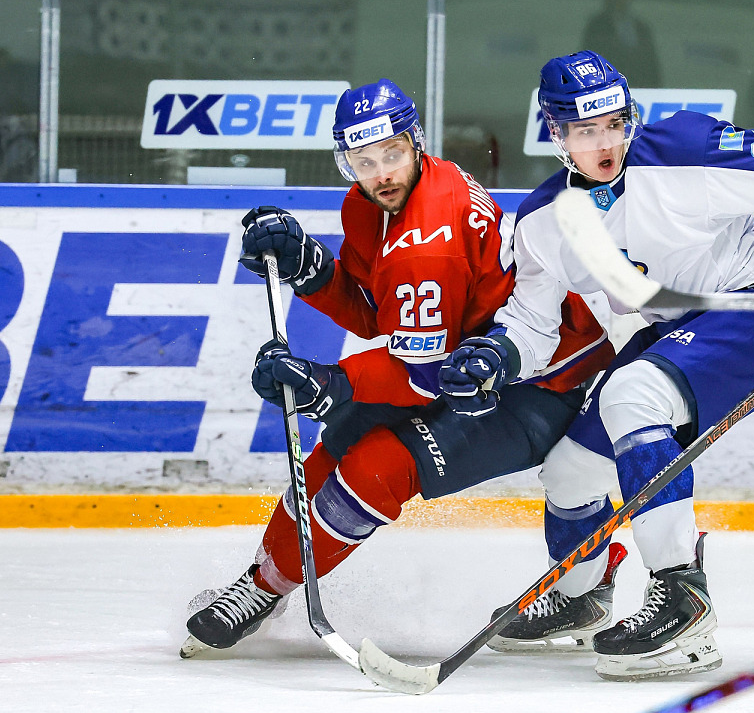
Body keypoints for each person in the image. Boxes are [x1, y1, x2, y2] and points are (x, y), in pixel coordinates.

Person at [437, 50, 754, 680]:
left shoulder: (684, 149)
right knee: (570, 471)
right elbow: (532, 324)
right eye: (585, 131)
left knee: (634, 395)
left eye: (614, 124)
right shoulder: (542, 221)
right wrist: (494, 355)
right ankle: (581, 595)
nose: (605, 143)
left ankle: (682, 597)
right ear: (556, 133)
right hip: (682, 321)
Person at [180, 79, 614, 657]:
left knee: (376, 468)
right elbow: (376, 316)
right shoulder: (370, 205)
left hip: (537, 382)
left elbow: (424, 376)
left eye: (392, 154)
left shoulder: (430, 238)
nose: (382, 173)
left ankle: (590, 583)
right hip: (465, 360)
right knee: (339, 441)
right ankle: (259, 587)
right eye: (364, 161)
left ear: (415, 142)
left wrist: (329, 385)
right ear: (347, 163)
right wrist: (310, 268)